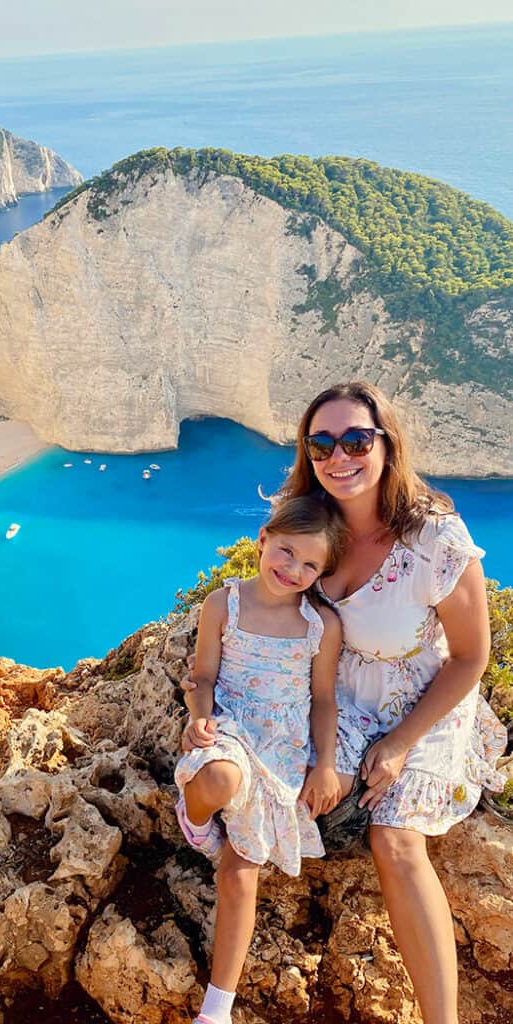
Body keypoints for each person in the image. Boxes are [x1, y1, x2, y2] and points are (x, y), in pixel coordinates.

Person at [183, 381, 506, 1024]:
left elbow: (472, 658)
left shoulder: (435, 538)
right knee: (283, 794)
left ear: (386, 444)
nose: (340, 456)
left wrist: (400, 744)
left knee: (394, 838)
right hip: (339, 699)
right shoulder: (311, 521)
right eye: (323, 442)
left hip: (425, 707)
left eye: (357, 439)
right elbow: (261, 603)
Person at [175, 496, 346, 1024]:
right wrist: (197, 714)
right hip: (229, 729)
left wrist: (323, 764)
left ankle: (216, 1010)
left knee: (242, 872)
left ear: (322, 572)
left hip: (284, 750)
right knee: (220, 778)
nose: (294, 569)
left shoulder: (320, 626)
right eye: (287, 551)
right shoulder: (222, 605)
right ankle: (194, 818)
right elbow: (203, 676)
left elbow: (322, 700)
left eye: (311, 564)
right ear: (263, 539)